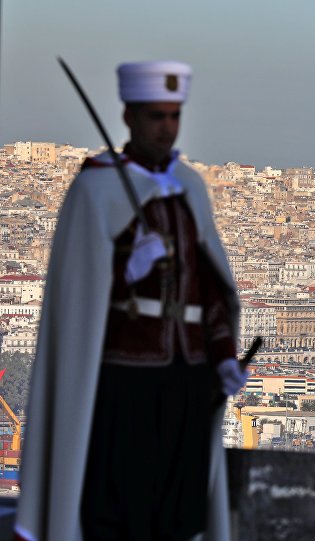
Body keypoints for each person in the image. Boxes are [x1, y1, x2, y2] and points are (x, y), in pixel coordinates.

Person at [15, 61, 247, 541]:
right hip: (123, 381)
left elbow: (210, 289)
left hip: (187, 378)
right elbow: (80, 295)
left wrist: (224, 356)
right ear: (129, 117)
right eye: (155, 116)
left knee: (180, 512)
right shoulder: (96, 189)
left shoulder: (190, 187)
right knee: (120, 507)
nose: (166, 128)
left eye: (174, 116)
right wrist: (126, 269)